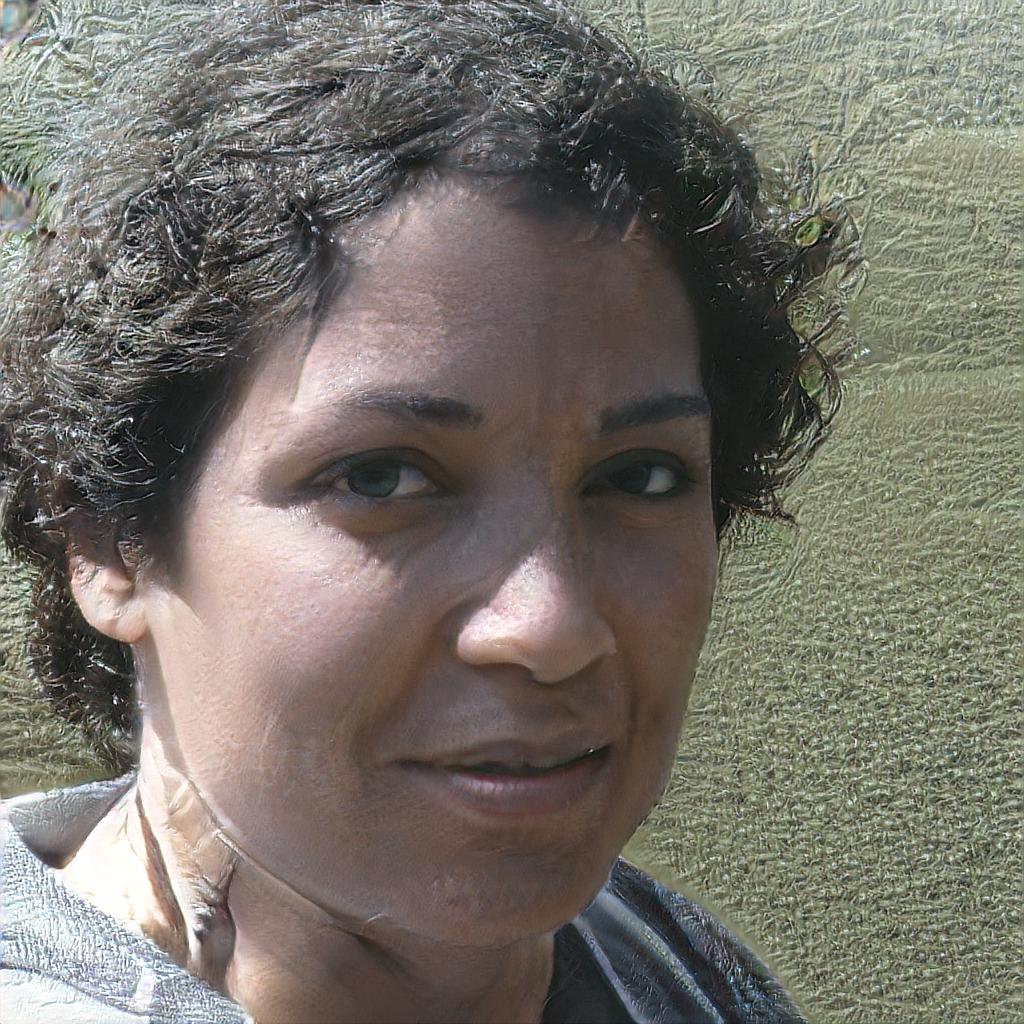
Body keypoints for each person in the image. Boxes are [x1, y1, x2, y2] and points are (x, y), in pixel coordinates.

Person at [0, 1, 857, 1020]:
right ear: (107, 542)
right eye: (380, 478)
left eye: (638, 478)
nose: (551, 628)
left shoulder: (684, 976)